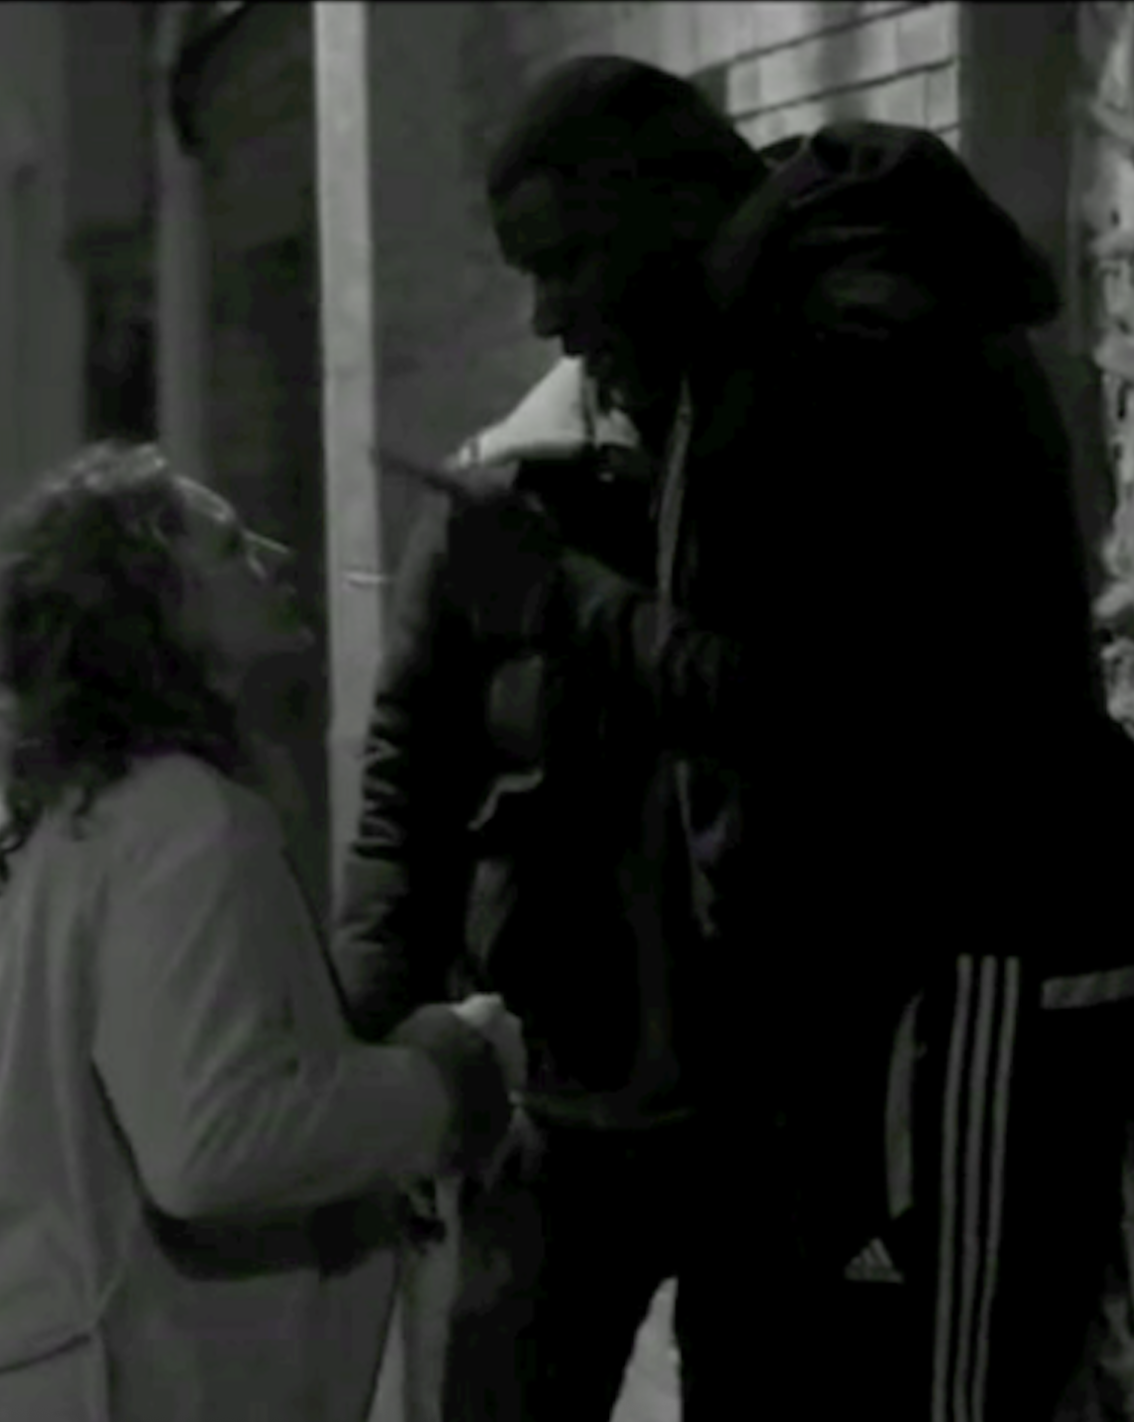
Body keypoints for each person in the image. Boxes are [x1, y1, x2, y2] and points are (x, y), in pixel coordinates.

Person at [425, 56, 1134, 1419]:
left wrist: (562, 600)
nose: (549, 317)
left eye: (565, 262)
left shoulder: (850, 340)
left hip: (979, 962)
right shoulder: (759, 331)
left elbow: (818, 703)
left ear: (665, 203)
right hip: (902, 995)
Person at [0, 442, 531, 1422]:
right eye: (228, 547)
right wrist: (444, 1080)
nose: (275, 555)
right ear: (154, 613)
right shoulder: (183, 820)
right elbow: (213, 1144)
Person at [336, 353, 703, 1422]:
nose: (552, 313)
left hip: (754, 1102)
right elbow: (405, 803)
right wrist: (373, 1065)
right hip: (552, 1094)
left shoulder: (763, 471)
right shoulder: (498, 495)